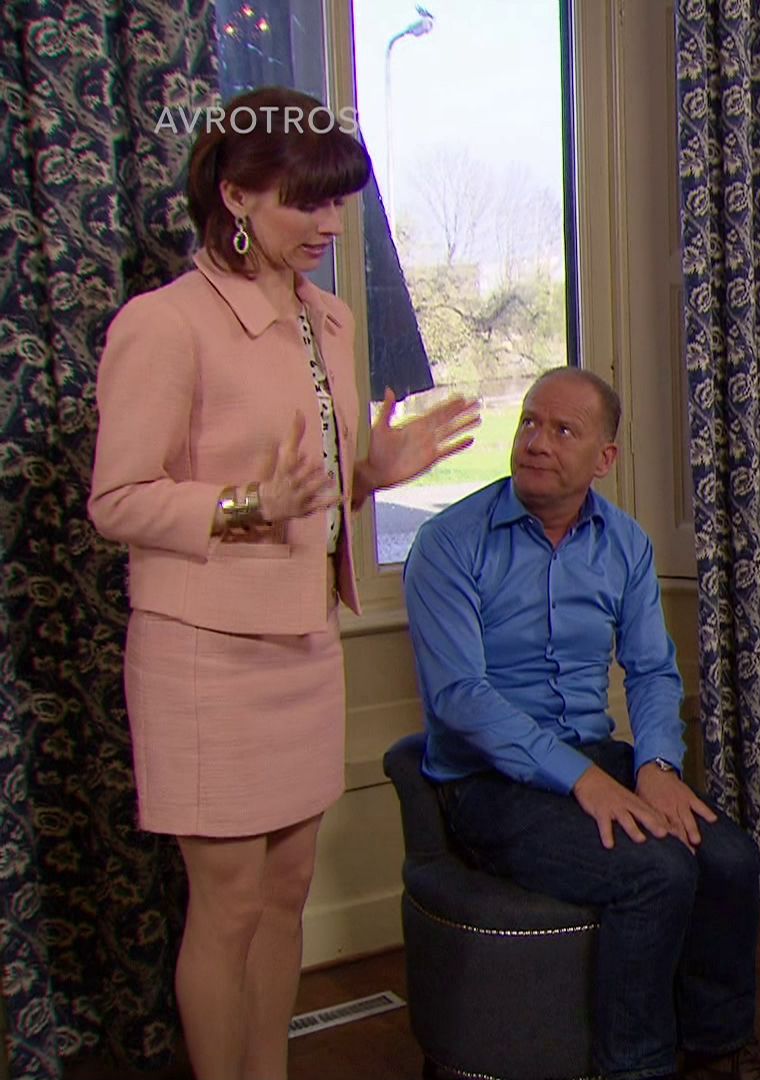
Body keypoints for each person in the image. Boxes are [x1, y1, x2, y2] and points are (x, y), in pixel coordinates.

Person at [88, 87, 479, 1080]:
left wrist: (370, 474)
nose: (329, 224)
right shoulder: (164, 324)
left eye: (338, 201)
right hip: (204, 652)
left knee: (286, 888)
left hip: (302, 641)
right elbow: (118, 499)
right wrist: (240, 506)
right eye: (306, 201)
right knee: (225, 903)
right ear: (236, 196)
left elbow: (311, 490)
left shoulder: (328, 321)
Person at [404, 368, 760, 1080]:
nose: (536, 442)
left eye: (563, 430)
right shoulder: (448, 543)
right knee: (656, 872)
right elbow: (459, 697)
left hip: (594, 755)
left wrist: (655, 766)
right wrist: (581, 779)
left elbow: (653, 670)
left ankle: (717, 1050)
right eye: (529, 422)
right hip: (491, 782)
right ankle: (633, 1068)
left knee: (730, 859)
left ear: (604, 458)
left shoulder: (625, 544)